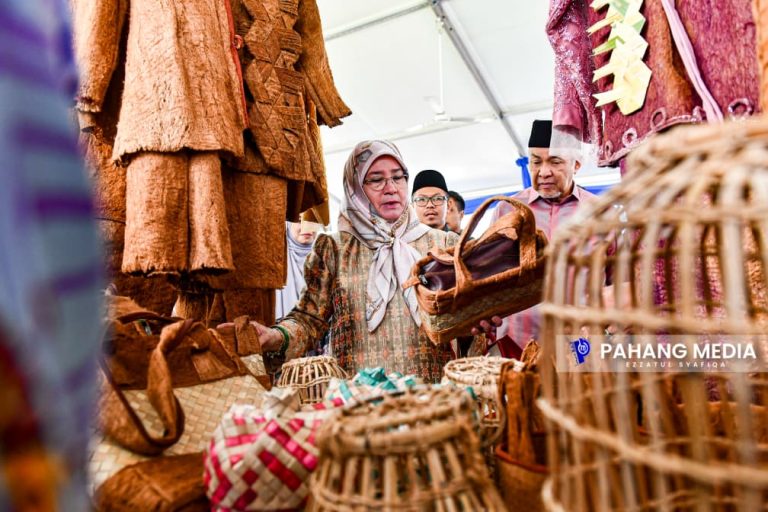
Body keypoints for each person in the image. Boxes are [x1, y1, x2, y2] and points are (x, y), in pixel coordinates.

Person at [247, 141, 477, 382]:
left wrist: (476, 323)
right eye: (376, 180)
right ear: (355, 187)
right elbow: (309, 320)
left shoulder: (444, 246)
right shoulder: (336, 249)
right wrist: (275, 337)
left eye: (398, 178)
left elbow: (464, 318)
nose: (391, 188)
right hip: (359, 404)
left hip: (434, 400)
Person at [474, 120, 601, 353]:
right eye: (536, 162)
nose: (544, 172)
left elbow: (618, 281)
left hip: (580, 344)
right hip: (515, 342)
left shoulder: (601, 213)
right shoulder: (507, 211)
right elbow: (487, 278)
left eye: (555, 162)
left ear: (577, 165)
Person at [275, 222, 321, 319]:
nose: (307, 227)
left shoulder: (326, 257)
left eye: (313, 220)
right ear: (288, 224)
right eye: (299, 221)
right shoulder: (275, 259)